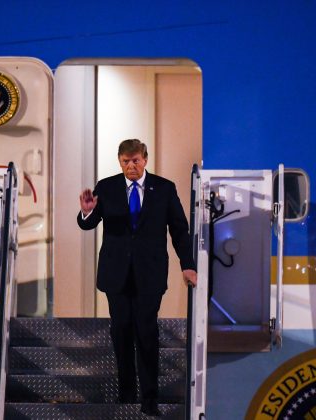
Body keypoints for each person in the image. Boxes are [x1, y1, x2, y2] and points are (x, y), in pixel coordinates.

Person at [77, 139, 197, 417]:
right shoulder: (106, 187)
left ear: (145, 159)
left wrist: (187, 265)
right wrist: (87, 211)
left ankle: (150, 398)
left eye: (135, 161)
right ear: (119, 161)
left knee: (146, 332)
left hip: (150, 273)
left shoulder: (164, 188)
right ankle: (126, 392)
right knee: (121, 331)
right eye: (125, 161)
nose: (130, 166)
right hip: (116, 273)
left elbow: (179, 230)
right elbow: (88, 224)